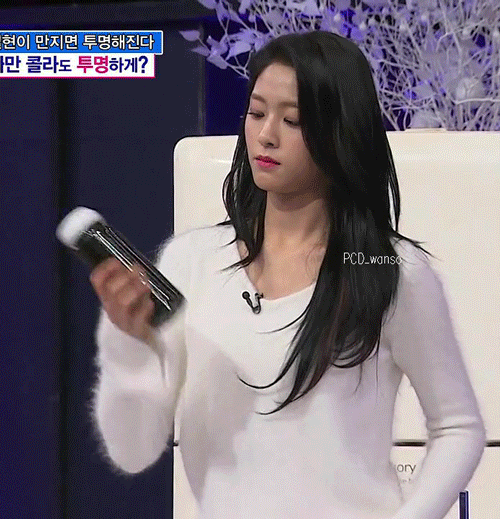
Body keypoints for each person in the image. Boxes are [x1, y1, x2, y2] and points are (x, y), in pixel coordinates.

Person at [89, 30, 486, 519]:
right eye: (256, 113)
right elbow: (132, 451)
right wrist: (127, 345)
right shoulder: (193, 262)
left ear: (340, 131)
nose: (266, 135)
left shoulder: (388, 270)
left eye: (292, 120)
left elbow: (458, 426)